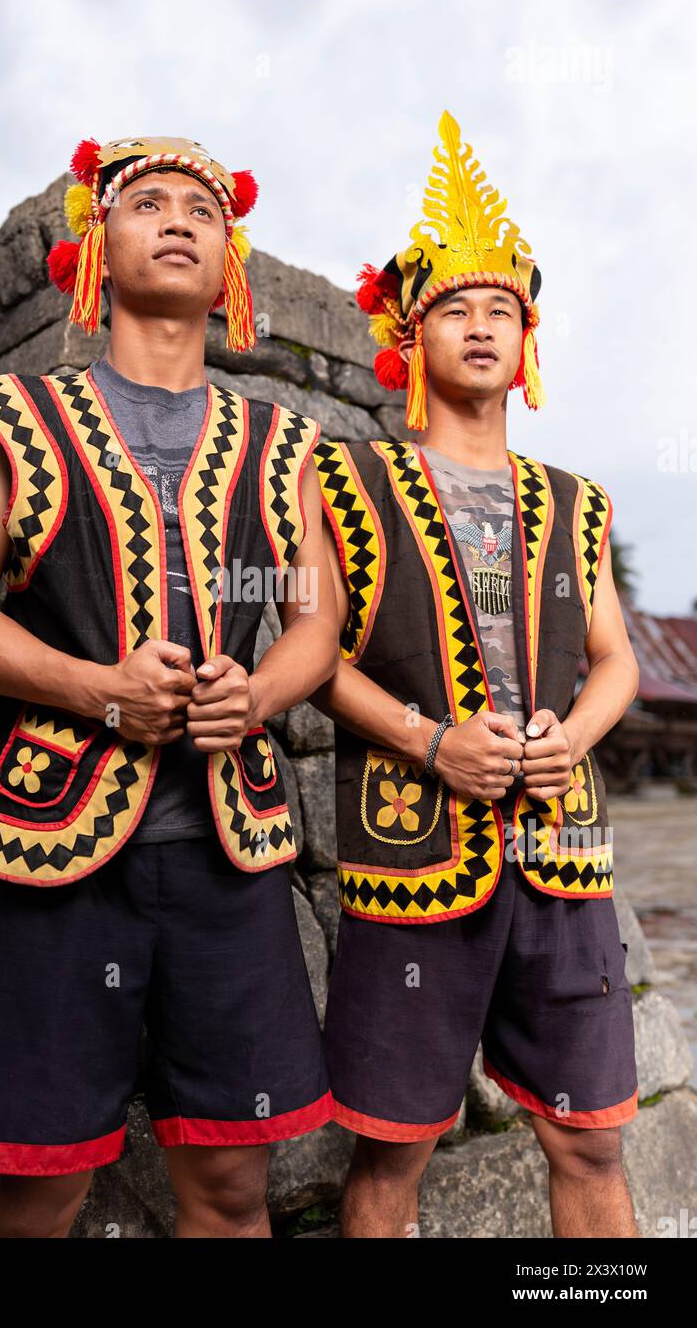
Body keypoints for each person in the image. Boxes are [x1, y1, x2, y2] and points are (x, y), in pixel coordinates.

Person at [0, 135, 338, 1238]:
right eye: (146, 200)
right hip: (62, 849)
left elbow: (315, 621)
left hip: (228, 852)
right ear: (96, 246)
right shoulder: (10, 420)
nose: (178, 218)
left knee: (232, 1184)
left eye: (203, 207)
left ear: (227, 263)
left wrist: (251, 696)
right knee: (39, 1180)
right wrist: (101, 689)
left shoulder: (280, 441)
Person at [311, 111, 641, 1239]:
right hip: (409, 838)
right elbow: (315, 664)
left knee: (589, 1132)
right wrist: (425, 736)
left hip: (561, 846)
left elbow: (614, 662)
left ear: (527, 336)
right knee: (392, 1142)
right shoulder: (347, 481)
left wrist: (574, 737)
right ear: (410, 338)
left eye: (501, 308)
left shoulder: (576, 500)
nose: (482, 325)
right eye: (454, 307)